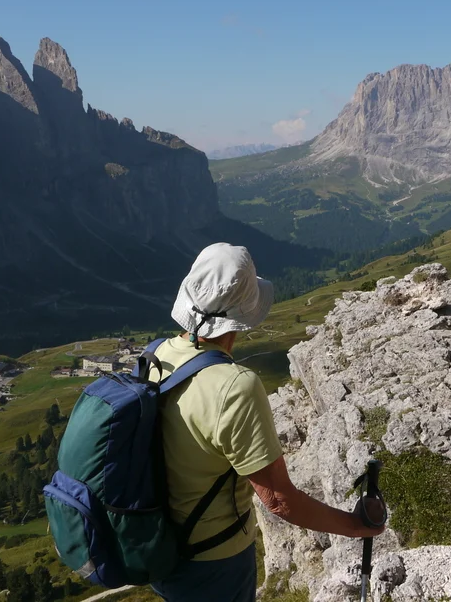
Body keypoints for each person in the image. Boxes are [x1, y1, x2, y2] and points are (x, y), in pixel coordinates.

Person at [147, 243, 385, 602]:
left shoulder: (155, 356)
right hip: (214, 560)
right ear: (241, 315)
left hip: (159, 549)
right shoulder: (234, 386)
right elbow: (278, 500)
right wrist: (355, 526)